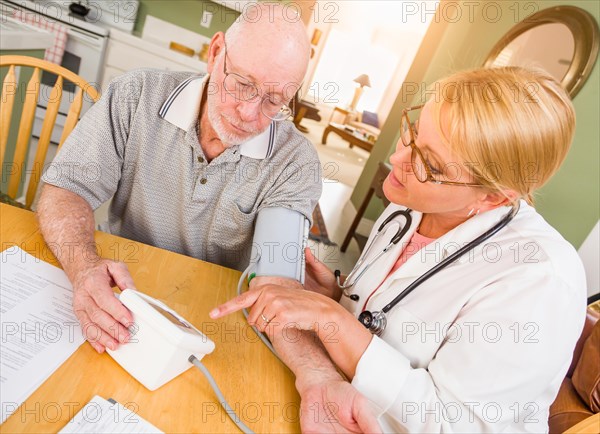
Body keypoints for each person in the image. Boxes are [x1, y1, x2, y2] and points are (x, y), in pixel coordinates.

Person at [211, 66, 588, 432]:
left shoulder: (540, 277)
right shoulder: (409, 208)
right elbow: (389, 324)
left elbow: (453, 425)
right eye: (414, 132)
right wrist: (341, 299)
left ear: (494, 196)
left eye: (429, 162)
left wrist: (335, 321)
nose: (397, 158)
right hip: (335, 399)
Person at [36, 4, 321, 354]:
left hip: (209, 321)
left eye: (274, 100)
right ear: (215, 52)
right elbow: (66, 189)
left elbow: (279, 285)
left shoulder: (296, 162)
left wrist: (317, 373)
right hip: (121, 293)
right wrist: (83, 269)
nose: (249, 113)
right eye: (242, 83)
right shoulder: (136, 94)